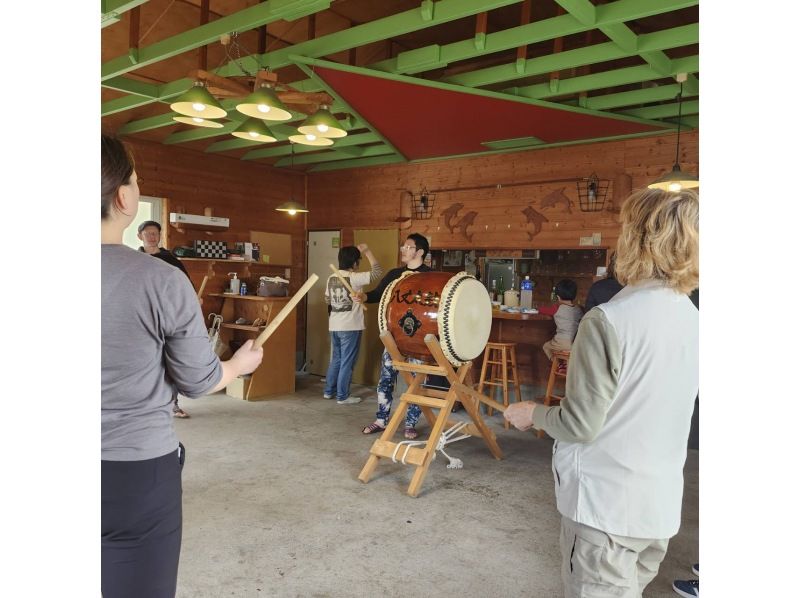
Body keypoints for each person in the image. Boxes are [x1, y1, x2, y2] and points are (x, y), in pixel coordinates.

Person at [504, 187, 699, 598]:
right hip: (658, 508)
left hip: (605, 509)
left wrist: (533, 413)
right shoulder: (692, 316)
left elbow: (579, 423)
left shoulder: (609, 319)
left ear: (636, 240)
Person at [101, 134, 263, 598]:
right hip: (134, 467)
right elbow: (199, 379)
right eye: (134, 179)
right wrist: (239, 363)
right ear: (124, 197)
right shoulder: (159, 280)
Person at [355, 233, 431, 439]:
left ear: (420, 252)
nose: (403, 250)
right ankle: (381, 420)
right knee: (386, 379)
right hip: (394, 337)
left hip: (418, 339)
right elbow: (378, 294)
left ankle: (410, 424)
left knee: (416, 382)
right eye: (403, 246)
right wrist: (363, 296)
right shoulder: (394, 275)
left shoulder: (430, 277)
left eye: (408, 247)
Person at [138, 219, 193, 418]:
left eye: (155, 233)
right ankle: (145, 405)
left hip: (166, 316)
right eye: (148, 233)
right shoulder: (134, 259)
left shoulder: (170, 260)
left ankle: (173, 404)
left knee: (169, 360)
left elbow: (185, 285)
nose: (152, 237)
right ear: (140, 236)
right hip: (141, 317)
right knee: (145, 361)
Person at [323, 243, 382, 405]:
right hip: (350, 326)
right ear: (354, 262)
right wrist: (368, 251)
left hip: (334, 325)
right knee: (347, 361)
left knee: (336, 359)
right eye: (359, 260)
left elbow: (327, 300)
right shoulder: (355, 277)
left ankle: (329, 391)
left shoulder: (331, 277)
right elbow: (377, 272)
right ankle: (342, 396)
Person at [537, 279, 582, 362]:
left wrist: (536, 308)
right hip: (576, 343)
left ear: (558, 297)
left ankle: (557, 364)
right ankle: (565, 365)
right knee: (567, 356)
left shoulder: (557, 308)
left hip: (561, 342)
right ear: (574, 296)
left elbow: (542, 310)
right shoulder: (578, 309)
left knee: (546, 346)